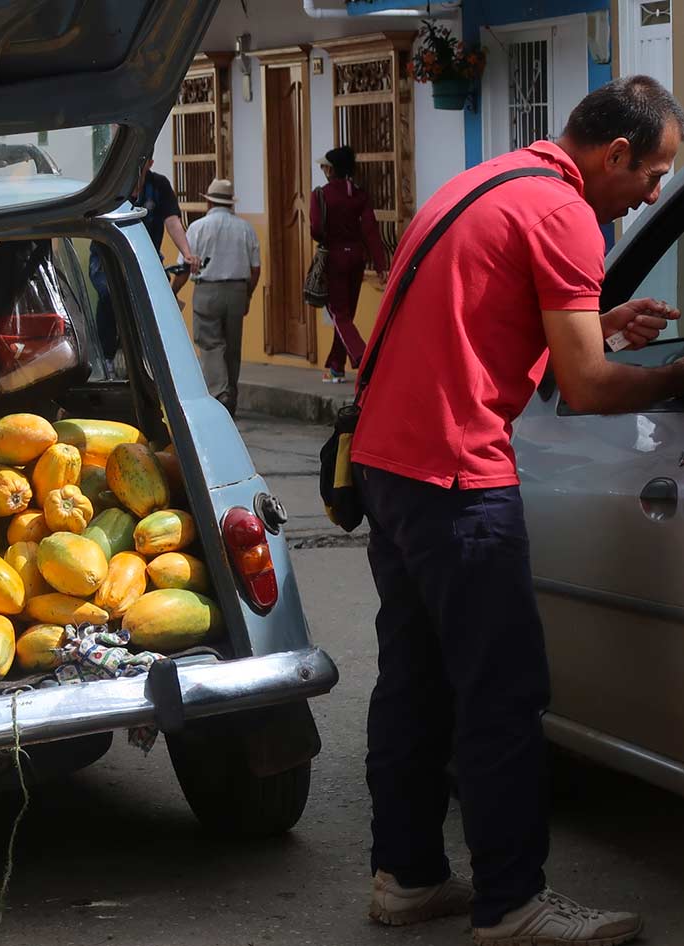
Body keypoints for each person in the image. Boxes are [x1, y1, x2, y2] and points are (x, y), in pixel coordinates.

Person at [352, 75, 684, 946]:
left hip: (390, 468)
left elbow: (481, 315)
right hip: (459, 476)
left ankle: (408, 876)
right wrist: (678, 375)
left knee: (416, 681)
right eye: (653, 176)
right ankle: (514, 904)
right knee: (502, 693)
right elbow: (586, 387)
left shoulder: (487, 183)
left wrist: (601, 322)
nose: (653, 194)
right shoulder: (566, 214)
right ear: (615, 154)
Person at [89, 157, 198, 374]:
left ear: (150, 162)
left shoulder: (159, 186)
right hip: (108, 256)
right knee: (109, 295)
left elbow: (172, 221)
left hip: (145, 257)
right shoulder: (114, 184)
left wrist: (187, 252)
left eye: (143, 161)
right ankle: (106, 358)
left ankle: (153, 361)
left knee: (158, 301)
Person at [169, 178, 260, 414]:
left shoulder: (198, 228)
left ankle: (220, 394)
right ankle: (231, 391)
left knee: (209, 343)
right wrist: (247, 295)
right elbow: (255, 268)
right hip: (237, 290)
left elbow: (185, 267)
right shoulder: (245, 228)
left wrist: (173, 292)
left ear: (209, 203)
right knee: (232, 345)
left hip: (207, 290)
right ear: (230, 204)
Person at [311, 146, 388, 382]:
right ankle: (336, 366)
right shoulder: (359, 194)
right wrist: (380, 264)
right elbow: (370, 231)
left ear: (332, 170)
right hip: (356, 258)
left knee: (338, 313)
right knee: (345, 317)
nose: (323, 170)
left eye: (325, 166)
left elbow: (316, 229)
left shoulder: (321, 195)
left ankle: (363, 358)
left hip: (334, 258)